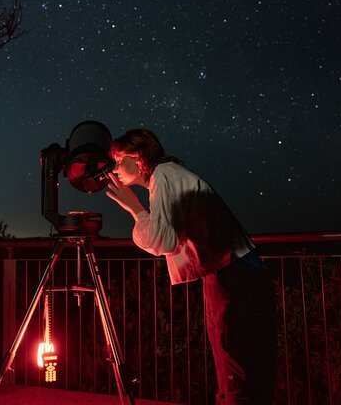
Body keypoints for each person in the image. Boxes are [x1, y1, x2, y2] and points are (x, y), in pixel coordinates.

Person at [106, 128, 276, 405]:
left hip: (232, 276)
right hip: (239, 271)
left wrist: (135, 209)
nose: (114, 169)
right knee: (250, 370)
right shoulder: (168, 175)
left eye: (118, 159)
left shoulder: (163, 175)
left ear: (137, 159)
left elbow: (164, 240)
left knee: (235, 371)